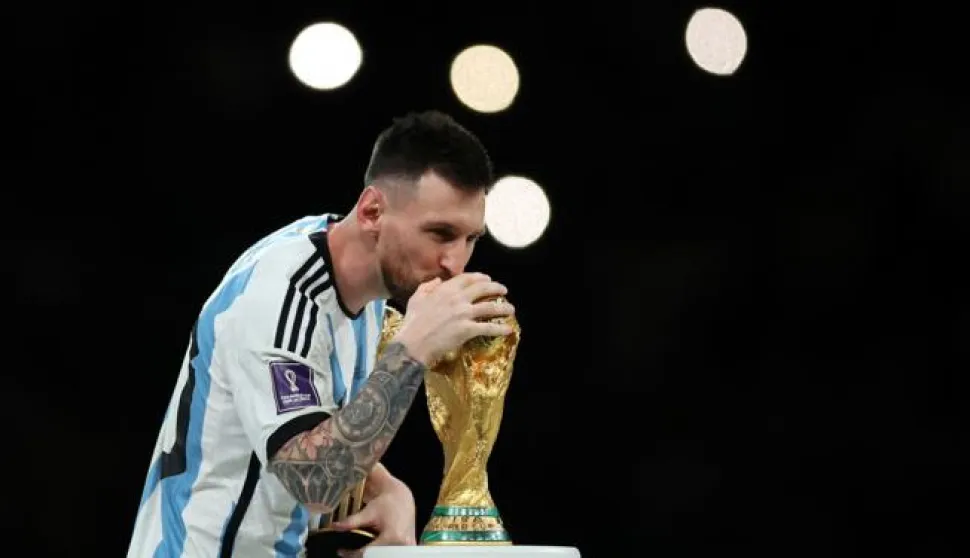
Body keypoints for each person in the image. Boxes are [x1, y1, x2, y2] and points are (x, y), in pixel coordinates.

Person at [127, 110, 517, 558]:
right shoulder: (280, 297)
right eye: (440, 234)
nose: (455, 263)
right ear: (372, 211)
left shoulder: (363, 288)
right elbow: (313, 479)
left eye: (470, 239)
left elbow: (310, 424)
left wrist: (389, 489)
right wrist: (412, 351)